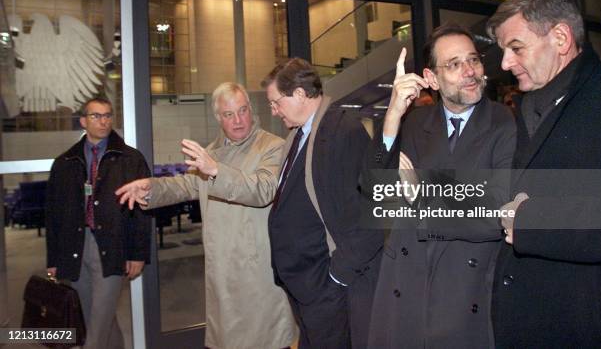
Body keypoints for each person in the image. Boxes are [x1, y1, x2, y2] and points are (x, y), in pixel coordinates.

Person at [363, 23, 516, 348]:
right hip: (404, 286)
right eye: (454, 64)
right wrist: (393, 113)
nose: (470, 71)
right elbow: (373, 191)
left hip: (463, 292)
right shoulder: (415, 122)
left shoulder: (504, 122)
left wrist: (421, 193)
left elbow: (498, 211)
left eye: (473, 60)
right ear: (431, 79)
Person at [116, 82, 297, 349]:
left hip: (258, 272)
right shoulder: (212, 152)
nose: (238, 120)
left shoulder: (273, 147)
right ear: (218, 118)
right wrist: (151, 188)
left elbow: (263, 189)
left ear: (251, 109)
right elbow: (185, 184)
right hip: (222, 272)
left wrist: (215, 171)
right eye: (228, 114)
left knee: (265, 341)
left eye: (243, 110)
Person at [486, 0, 601, 348]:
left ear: (560, 37)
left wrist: (527, 223)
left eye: (516, 48)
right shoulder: (530, 106)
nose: (506, 64)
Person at [261, 58, 383, 349]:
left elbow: (374, 210)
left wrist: (336, 276)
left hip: (326, 285)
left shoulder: (344, 130)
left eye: (276, 102)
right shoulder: (297, 136)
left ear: (301, 94)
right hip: (304, 283)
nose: (274, 111)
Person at [45, 97, 151, 349]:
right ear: (83, 121)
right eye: (96, 116)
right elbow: (53, 215)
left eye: (107, 115)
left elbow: (143, 212)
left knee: (98, 324)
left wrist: (137, 254)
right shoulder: (65, 162)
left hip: (113, 246)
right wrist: (53, 259)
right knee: (97, 316)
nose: (103, 121)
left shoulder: (130, 158)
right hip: (76, 246)